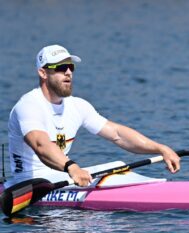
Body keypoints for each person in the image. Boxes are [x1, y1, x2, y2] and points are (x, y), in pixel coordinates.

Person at [7, 44, 180, 188]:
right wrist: (71, 167)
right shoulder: (29, 105)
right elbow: (40, 144)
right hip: (29, 184)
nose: (68, 72)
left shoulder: (78, 105)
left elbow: (117, 134)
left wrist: (161, 148)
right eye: (60, 68)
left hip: (65, 176)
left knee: (117, 166)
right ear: (43, 73)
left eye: (71, 67)